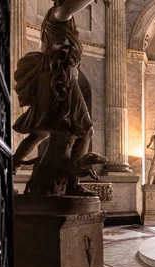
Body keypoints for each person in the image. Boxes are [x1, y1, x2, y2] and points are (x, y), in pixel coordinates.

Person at [12, 0, 109, 196]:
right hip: (61, 80)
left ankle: (10, 170)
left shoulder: (52, 20)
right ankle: (73, 183)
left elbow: (44, 50)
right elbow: (70, 7)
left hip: (53, 78)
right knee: (86, 129)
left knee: (40, 132)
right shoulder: (58, 14)